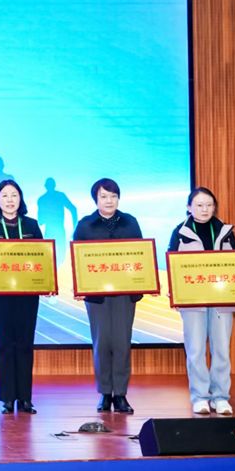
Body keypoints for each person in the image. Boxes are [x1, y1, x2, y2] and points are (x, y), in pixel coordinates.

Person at [168, 187, 235, 415]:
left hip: (222, 299)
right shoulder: (180, 232)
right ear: (189, 207)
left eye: (209, 205)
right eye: (199, 205)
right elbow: (172, 265)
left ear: (214, 207)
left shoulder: (225, 231)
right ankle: (200, 397)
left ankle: (221, 397)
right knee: (196, 349)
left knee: (221, 349)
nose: (204, 209)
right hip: (193, 300)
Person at [73, 177, 142, 414]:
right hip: (97, 295)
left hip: (124, 293)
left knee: (122, 342)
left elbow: (140, 255)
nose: (109, 201)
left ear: (118, 198)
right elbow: (77, 259)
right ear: (96, 199)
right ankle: (104, 393)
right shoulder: (85, 225)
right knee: (102, 343)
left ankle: (120, 394)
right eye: (104, 196)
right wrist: (79, 286)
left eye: (113, 196)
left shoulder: (130, 222)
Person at [0, 180, 44, 414]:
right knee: (4, 344)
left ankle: (25, 398)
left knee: (25, 344)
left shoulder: (32, 225)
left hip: (27, 294)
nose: (10, 200)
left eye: (14, 195)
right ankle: (7, 398)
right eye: (4, 196)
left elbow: (42, 257)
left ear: (20, 198)